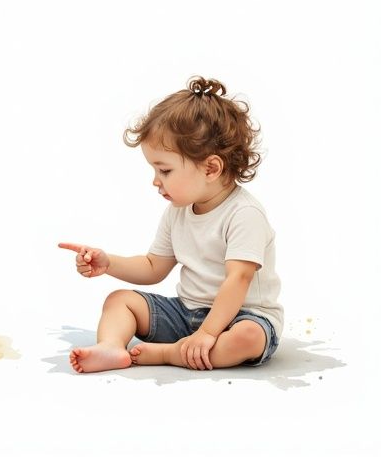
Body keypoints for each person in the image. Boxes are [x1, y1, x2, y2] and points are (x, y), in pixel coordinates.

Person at [59, 77, 282, 373]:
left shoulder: (244, 214)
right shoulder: (178, 211)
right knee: (120, 300)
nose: (155, 181)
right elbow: (153, 267)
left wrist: (208, 333)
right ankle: (111, 347)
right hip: (186, 313)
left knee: (248, 338)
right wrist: (107, 262)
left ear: (211, 168)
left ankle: (170, 353)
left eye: (164, 170)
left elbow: (238, 280)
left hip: (242, 317)